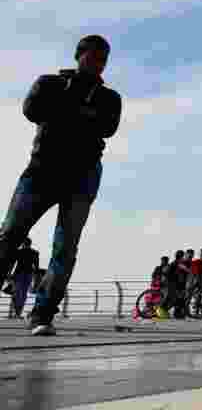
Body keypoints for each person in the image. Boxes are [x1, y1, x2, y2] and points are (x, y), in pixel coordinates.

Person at [0, 35, 122, 336]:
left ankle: (43, 314)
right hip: (42, 171)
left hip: (83, 177)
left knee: (65, 248)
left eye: (102, 60)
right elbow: (31, 110)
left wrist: (66, 112)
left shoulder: (110, 98)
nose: (97, 64)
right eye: (92, 58)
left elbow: (108, 127)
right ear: (79, 56)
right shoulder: (49, 83)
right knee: (10, 234)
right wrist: (82, 114)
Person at [9, 239, 40, 319]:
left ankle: (16, 312)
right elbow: (36, 267)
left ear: (23, 243)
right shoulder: (35, 253)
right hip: (28, 275)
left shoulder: (18, 252)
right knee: (23, 294)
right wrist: (36, 279)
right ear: (30, 244)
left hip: (18, 275)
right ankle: (18, 313)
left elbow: (12, 264)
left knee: (17, 293)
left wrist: (9, 274)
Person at [157, 250, 187, 320]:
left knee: (176, 298)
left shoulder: (175, 262)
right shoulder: (177, 262)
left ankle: (176, 313)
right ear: (181, 256)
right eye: (183, 256)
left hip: (173, 282)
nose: (184, 257)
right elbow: (185, 269)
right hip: (170, 282)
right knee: (170, 297)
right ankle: (161, 309)